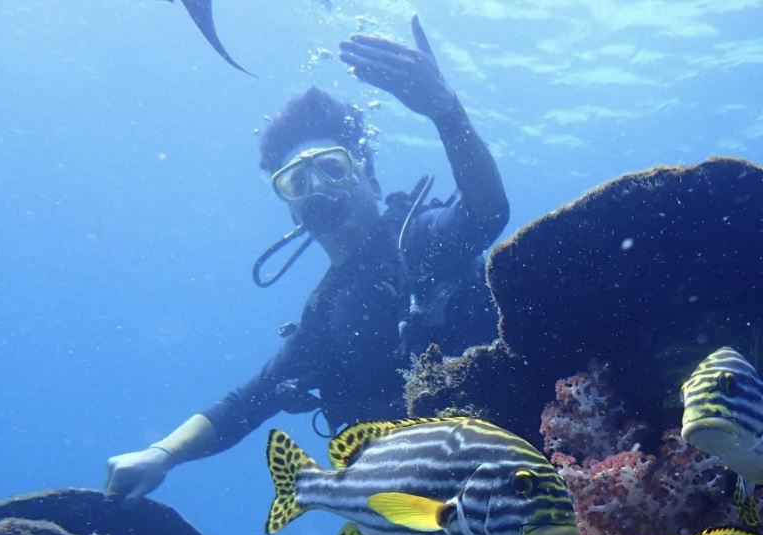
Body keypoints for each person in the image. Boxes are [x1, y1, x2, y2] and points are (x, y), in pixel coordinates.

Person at [105, 16, 509, 501]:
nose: (317, 188)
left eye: (332, 168)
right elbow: (245, 401)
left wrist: (445, 110)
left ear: (371, 180)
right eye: (296, 182)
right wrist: (161, 454)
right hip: (422, 513)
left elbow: (486, 213)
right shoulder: (324, 315)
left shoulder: (419, 238)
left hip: (516, 469)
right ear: (293, 208)